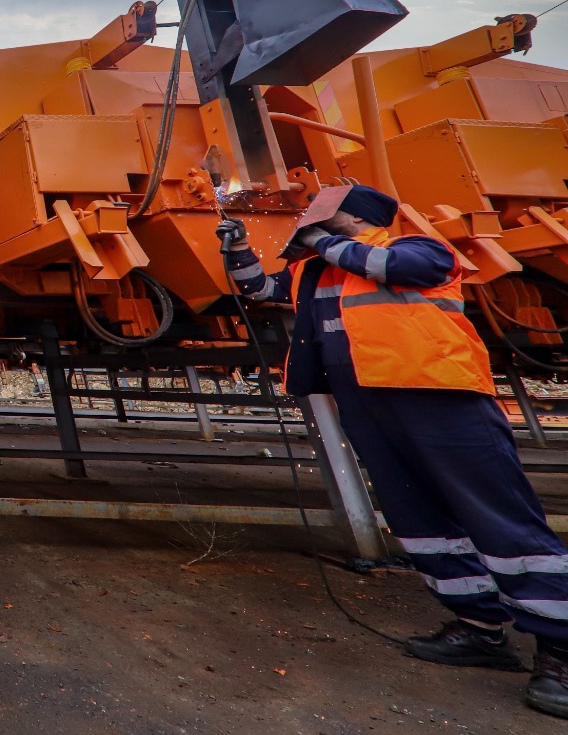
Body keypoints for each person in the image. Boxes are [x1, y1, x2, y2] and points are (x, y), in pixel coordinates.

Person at [218, 184, 568, 718]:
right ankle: (478, 628)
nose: (311, 220)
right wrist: (237, 248)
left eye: (324, 214)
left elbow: (391, 267)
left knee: (499, 517)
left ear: (353, 218)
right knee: (420, 520)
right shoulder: (316, 272)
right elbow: (260, 290)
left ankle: (560, 650)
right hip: (369, 405)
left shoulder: (418, 248)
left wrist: (322, 243)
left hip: (440, 397)